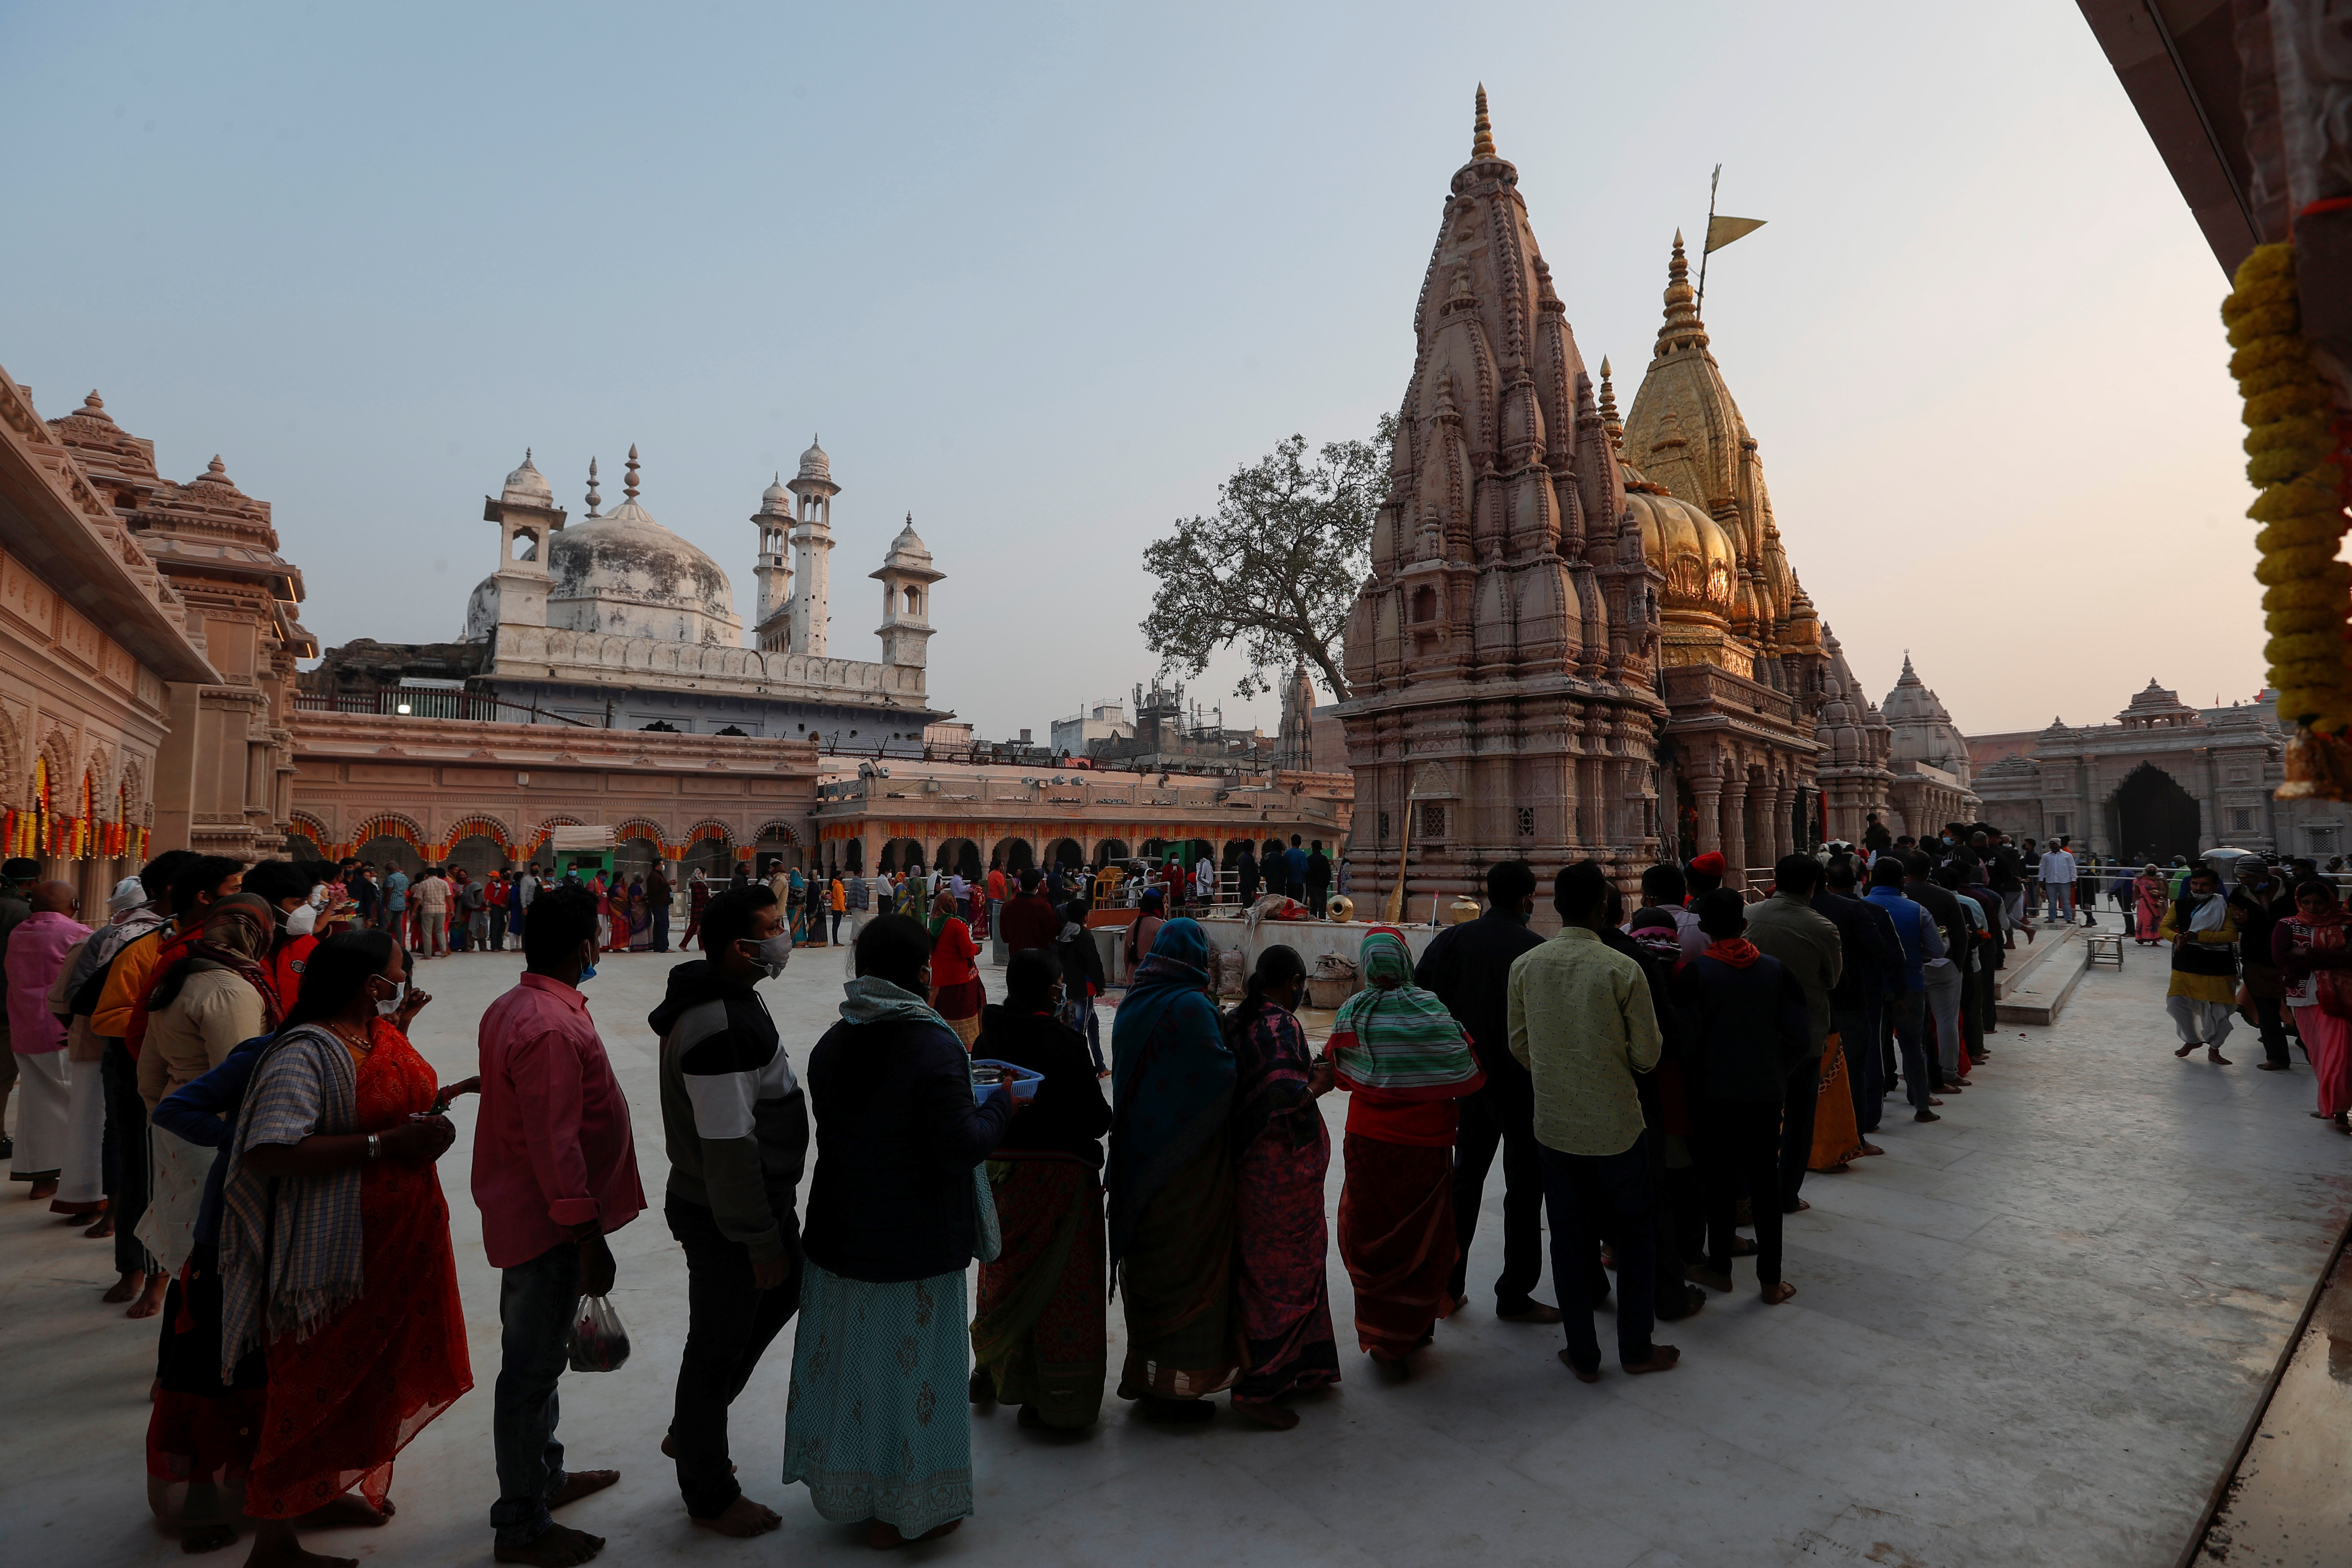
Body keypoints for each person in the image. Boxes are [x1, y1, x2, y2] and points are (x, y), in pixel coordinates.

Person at [215, 928, 472, 1564]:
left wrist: (437, 1101)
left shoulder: (374, 1035)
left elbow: (369, 1103)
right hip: (331, 1260)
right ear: (369, 984)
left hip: (397, 1241)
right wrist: (389, 1146)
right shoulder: (305, 1052)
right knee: (310, 1382)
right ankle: (273, 1543)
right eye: (396, 970)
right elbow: (272, 1150)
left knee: (369, 1380)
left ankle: (320, 1489)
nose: (404, 976)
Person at [785, 913, 1018, 1547]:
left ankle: (861, 1491)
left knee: (863, 1378)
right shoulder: (934, 1045)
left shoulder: (835, 1042)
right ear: (921, 974)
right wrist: (1002, 1104)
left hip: (845, 1239)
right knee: (917, 1379)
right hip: (916, 1247)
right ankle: (914, 1504)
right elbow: (960, 1147)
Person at [472, 882, 646, 1565]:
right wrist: (586, 1232)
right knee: (531, 1371)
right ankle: (521, 1524)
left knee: (537, 1362)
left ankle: (544, 1478)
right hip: (549, 1225)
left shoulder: (520, 1006)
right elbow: (556, 1141)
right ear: (586, 945)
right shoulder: (548, 1024)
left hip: (535, 1213)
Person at [649, 884, 803, 1538]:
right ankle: (709, 1490)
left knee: (775, 1299)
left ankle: (693, 1430)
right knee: (715, 1347)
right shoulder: (720, 1027)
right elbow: (728, 1146)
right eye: (771, 928)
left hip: (737, 1203)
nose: (782, 935)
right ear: (739, 948)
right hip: (727, 1211)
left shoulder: (732, 999)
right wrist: (759, 1238)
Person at [1510, 861, 1673, 1381]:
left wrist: (1561, 1071)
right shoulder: (1623, 969)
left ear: (1554, 907)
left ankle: (1583, 1355)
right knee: (1635, 1235)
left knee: (1569, 1239)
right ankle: (1636, 1349)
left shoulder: (1527, 966)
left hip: (1556, 1125)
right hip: (1619, 1127)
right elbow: (1648, 1056)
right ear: (1604, 908)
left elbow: (1518, 1045)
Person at [969, 947, 1114, 1428]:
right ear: (1049, 990)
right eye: (1057, 982)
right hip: (1060, 1182)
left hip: (1000, 1177)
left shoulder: (988, 1038)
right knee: (1060, 1292)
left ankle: (992, 1365)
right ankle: (1053, 1395)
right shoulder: (1064, 1043)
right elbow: (1097, 1119)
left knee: (1001, 1276)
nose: (1060, 991)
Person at [95, 853, 243, 1317]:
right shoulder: (157, 950)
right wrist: (169, 1085)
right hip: (178, 1096)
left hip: (190, 1103)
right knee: (154, 1190)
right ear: (205, 897)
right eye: (235, 889)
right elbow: (120, 1019)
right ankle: (145, 1278)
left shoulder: (232, 956)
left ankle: (169, 1285)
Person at [1330, 928, 1483, 1374]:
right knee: (1427, 1234)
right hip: (1426, 1145)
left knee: (1372, 1229)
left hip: (1369, 1143)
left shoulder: (1353, 1012)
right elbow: (1465, 1065)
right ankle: (1417, 1327)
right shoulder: (1432, 1009)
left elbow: (1342, 1075)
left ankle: (1381, 1333)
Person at [1107, 916, 1240, 1419]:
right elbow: (1219, 1076)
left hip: (1137, 1159)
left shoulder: (1136, 1001)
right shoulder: (1188, 1005)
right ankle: (1176, 1393)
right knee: (1185, 1270)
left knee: (1149, 1267)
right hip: (1183, 1167)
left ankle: (1146, 1375)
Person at [1415, 859, 1556, 1323]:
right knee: (1523, 1188)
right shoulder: (1536, 951)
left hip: (1467, 1082)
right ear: (1524, 899)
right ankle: (1514, 1294)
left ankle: (1448, 1288)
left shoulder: (1451, 941)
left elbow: (1421, 998)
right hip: (1521, 1086)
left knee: (1465, 1180)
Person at [1220, 943, 1339, 1425]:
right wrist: (1321, 1083)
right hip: (1279, 1173)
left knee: (1261, 1272)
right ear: (1293, 982)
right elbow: (1285, 1096)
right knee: (1288, 1273)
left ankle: (1300, 1367)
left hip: (1250, 1168)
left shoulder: (1237, 1018)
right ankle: (1260, 1386)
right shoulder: (1280, 1024)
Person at [1674, 889, 1809, 1305]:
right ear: (1745, 924)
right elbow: (1799, 1039)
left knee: (1717, 1181)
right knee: (1764, 1183)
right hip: (1765, 1095)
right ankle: (1771, 1282)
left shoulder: (1696, 975)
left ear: (1704, 927)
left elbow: (1686, 1044)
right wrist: (1774, 1074)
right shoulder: (1776, 971)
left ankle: (1720, 1268)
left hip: (1713, 1096)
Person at [139, 894, 282, 1278]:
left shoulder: (181, 974)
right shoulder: (230, 990)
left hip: (177, 1120)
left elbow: (150, 1071)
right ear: (260, 935)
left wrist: (165, 1113)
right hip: (214, 1130)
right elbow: (235, 1078)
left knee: (181, 1224)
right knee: (212, 1247)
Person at [1742, 854, 1841, 1213]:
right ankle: (1785, 1194)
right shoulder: (1822, 927)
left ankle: (1748, 1192)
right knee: (1799, 1117)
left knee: (1753, 1117)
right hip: (1804, 1033)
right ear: (1814, 885)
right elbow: (1832, 979)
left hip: (1754, 1029)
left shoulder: (1749, 915)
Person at [6, 881, 90, 1205]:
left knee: (35, 1106)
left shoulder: (18, 933)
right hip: (61, 1030)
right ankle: (76, 1180)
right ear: (74, 902)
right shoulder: (77, 933)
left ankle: (41, 1179)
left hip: (25, 1028)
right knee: (76, 1105)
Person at [1819, 857, 1901, 1145]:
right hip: (1860, 996)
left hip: (1817, 998)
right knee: (1862, 1061)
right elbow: (1885, 953)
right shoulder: (1866, 911)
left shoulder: (1804, 911)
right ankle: (1861, 1126)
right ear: (1855, 882)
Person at [2275, 879, 2352, 1130]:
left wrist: (2307, 954)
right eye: (2306, 902)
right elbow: (2281, 957)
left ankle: (2339, 1112)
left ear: (2331, 901)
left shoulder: (2347, 923)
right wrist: (2333, 959)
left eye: (2319, 903)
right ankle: (2329, 1106)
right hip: (2303, 996)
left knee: (2338, 1054)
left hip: (2340, 998)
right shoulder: (2288, 924)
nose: (2312, 908)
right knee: (2318, 1054)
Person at [2162, 867, 2242, 1065]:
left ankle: (2215, 1049)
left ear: (2215, 886)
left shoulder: (2225, 907)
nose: (2199, 888)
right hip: (2186, 962)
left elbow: (2232, 936)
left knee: (2218, 1011)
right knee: (2176, 1003)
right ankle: (2192, 1040)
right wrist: (2177, 937)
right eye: (2195, 884)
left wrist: (2199, 936)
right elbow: (2164, 927)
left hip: (2218, 965)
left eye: (2205, 884)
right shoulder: (2180, 905)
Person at [2231, 861, 2296, 1070]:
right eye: (2240, 878)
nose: (2244, 882)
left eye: (2247, 877)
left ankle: (2313, 1050)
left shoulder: (2293, 892)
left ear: (2262, 875)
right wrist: (2241, 923)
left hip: (2292, 960)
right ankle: (2277, 1057)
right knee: (2267, 1012)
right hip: (2256, 959)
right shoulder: (2239, 895)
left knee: (2302, 1010)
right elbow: (2235, 924)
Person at [1053, 896, 1109, 1075]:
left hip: (1070, 986)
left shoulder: (1064, 934)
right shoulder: (1084, 935)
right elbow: (1094, 961)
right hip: (1085, 988)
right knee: (1080, 1029)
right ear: (1085, 917)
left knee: (1091, 1023)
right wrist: (1101, 984)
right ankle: (1080, 1070)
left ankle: (1100, 1066)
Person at [927, 888, 985, 1047]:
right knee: (964, 1015)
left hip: (939, 981)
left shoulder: (932, 925)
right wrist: (976, 949)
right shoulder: (957, 925)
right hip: (961, 980)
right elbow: (966, 951)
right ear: (952, 905)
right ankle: (968, 1045)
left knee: (943, 1015)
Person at [998, 867, 1061, 954]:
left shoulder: (1007, 907)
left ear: (1020, 885)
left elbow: (1005, 938)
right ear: (1038, 886)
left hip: (1017, 957)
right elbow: (1055, 935)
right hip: (1039, 957)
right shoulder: (1043, 907)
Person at [2039, 839, 2078, 925]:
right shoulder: (2046, 856)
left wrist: (2074, 879)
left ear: (2059, 845)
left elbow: (2072, 868)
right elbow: (2042, 868)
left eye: (2054, 844)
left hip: (2064, 881)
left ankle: (2068, 918)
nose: (2052, 845)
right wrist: (2041, 879)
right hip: (2051, 881)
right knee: (2052, 902)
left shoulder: (2067, 855)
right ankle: (2052, 918)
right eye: (2051, 844)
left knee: (2066, 901)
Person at [2132, 863, 2170, 946]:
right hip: (2144, 902)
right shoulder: (2140, 880)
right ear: (2146, 871)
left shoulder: (2160, 880)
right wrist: (2134, 902)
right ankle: (2141, 937)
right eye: (2150, 870)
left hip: (2157, 903)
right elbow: (2136, 892)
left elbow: (2165, 890)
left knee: (2156, 920)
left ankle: (2155, 941)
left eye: (2154, 870)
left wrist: (2160, 893)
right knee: (2144, 920)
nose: (2152, 872)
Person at [681, 868, 710, 951]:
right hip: (699, 908)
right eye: (705, 873)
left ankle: (702, 947)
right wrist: (709, 899)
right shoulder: (699, 884)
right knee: (694, 927)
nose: (706, 875)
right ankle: (683, 944)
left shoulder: (698, 883)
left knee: (701, 927)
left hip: (698, 907)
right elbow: (701, 898)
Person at [1304, 840, 1333, 918]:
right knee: (1322, 908)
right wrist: (1325, 885)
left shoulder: (1309, 859)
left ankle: (1313, 923)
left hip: (1311, 886)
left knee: (1313, 908)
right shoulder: (1323, 859)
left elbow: (1306, 873)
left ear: (1312, 848)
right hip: (1321, 887)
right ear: (1321, 848)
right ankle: (1322, 923)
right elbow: (1328, 873)